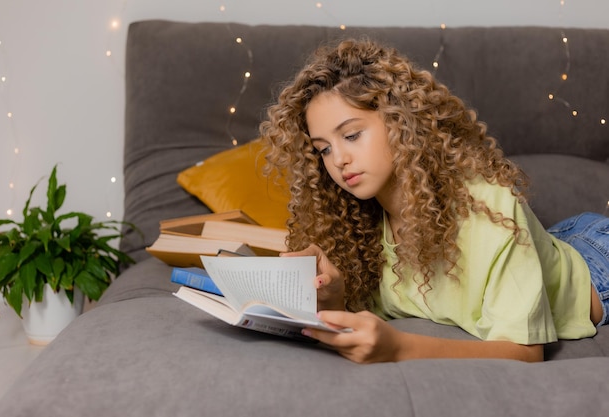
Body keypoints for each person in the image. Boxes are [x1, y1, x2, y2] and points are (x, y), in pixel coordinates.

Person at [259, 38, 609, 364]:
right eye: (324, 149)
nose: (338, 160)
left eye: (351, 135)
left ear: (401, 122)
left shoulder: (488, 207)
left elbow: (526, 352)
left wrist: (398, 347)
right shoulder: (359, 220)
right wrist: (334, 297)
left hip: (597, 262)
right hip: (544, 246)